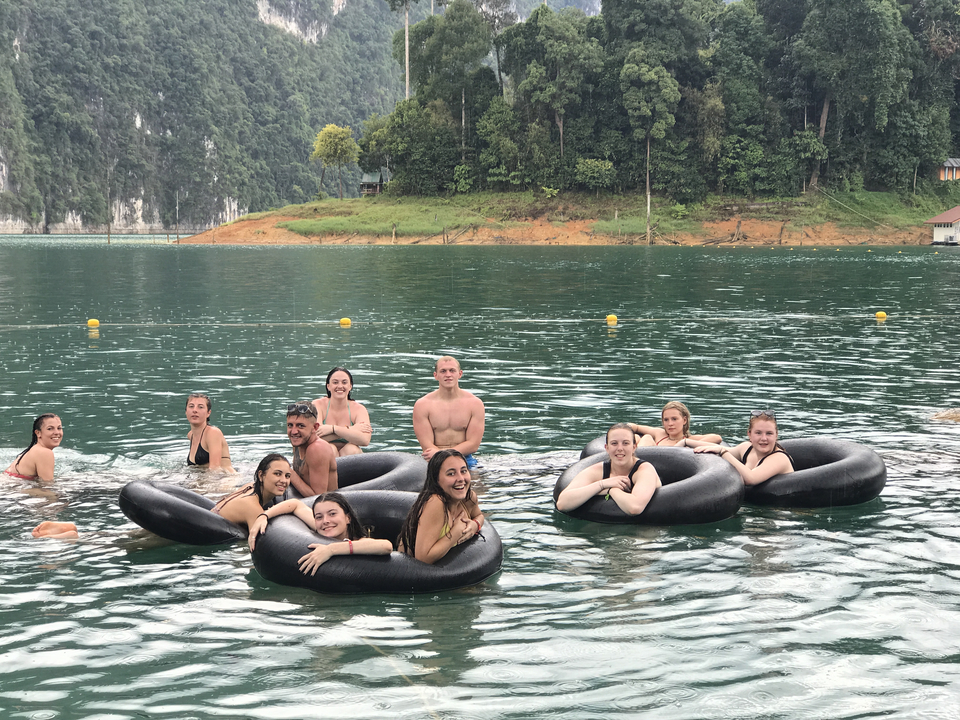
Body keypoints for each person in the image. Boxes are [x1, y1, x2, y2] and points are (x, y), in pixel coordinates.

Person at [212, 453, 316, 550]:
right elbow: (257, 548)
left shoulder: (251, 486)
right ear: (261, 475)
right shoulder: (251, 506)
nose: (284, 480)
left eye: (287, 476)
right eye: (277, 474)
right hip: (214, 540)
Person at [397, 449, 484, 565]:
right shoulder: (435, 502)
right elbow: (422, 558)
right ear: (436, 479)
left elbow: (479, 515)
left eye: (463, 471)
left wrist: (475, 525)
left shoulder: (468, 497)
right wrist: (456, 532)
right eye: (451, 474)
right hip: (408, 574)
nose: (461, 479)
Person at [556, 422, 662, 515]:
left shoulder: (644, 470)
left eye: (625, 443)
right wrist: (602, 485)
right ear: (607, 448)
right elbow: (562, 503)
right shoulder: (598, 470)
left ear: (634, 447)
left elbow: (635, 508)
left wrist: (611, 490)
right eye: (614, 443)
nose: (620, 449)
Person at [412, 356, 485, 469]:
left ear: (460, 374)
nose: (448, 375)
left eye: (452, 370)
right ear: (435, 375)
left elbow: (473, 444)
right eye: (443, 371)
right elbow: (426, 444)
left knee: (477, 484)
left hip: (465, 459)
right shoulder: (423, 405)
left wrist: (442, 454)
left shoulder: (474, 404)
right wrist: (439, 456)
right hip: (434, 460)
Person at [298, 492, 393, 575]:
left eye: (332, 514)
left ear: (348, 518)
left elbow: (386, 546)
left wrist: (331, 549)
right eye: (319, 517)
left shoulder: (360, 541)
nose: (325, 521)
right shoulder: (322, 527)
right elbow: (295, 505)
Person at [693, 410, 794, 485]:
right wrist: (686, 441)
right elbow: (720, 448)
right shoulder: (747, 448)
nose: (764, 438)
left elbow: (751, 478)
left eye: (769, 433)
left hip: (783, 511)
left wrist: (723, 452)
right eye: (758, 433)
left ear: (776, 435)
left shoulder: (779, 458)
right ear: (749, 434)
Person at [311, 367, 372, 456]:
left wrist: (333, 429)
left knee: (352, 449)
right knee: (329, 448)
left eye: (344, 382)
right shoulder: (318, 405)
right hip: (325, 455)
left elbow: (365, 440)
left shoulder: (359, 409)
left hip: (349, 456)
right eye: (335, 382)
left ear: (350, 386)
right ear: (328, 386)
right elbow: (314, 437)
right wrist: (351, 429)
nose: (340, 386)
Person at [286, 401, 338, 496]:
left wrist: (289, 472)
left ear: (315, 427)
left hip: (327, 506)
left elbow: (318, 497)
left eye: (300, 426)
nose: (293, 431)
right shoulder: (298, 443)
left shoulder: (317, 449)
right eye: (290, 425)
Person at [630, 401, 722, 448]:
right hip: (647, 463)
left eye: (674, 419)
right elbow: (636, 427)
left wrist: (685, 443)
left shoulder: (689, 439)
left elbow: (717, 438)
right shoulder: (660, 434)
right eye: (666, 420)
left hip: (671, 468)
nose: (670, 424)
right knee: (643, 437)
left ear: (684, 420)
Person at [185, 393, 236, 472]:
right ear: (186, 411)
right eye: (191, 406)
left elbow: (215, 469)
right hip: (203, 477)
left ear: (208, 413)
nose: (195, 410)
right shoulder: (191, 435)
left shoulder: (213, 433)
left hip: (225, 478)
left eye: (200, 407)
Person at [5, 413, 62, 481]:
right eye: (50, 429)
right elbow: (47, 487)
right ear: (38, 433)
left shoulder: (35, 450)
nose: (56, 432)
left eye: (59, 428)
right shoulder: (44, 452)